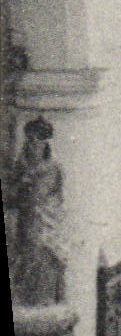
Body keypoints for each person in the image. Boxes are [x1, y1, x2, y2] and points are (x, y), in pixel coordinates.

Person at [7, 117, 69, 307]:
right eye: (29, 140)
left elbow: (58, 198)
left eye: (36, 140)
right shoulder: (21, 166)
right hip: (25, 222)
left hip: (45, 224)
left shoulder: (54, 169)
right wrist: (20, 185)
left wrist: (44, 211)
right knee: (25, 260)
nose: (31, 144)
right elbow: (11, 195)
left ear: (45, 144)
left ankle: (46, 300)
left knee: (46, 258)